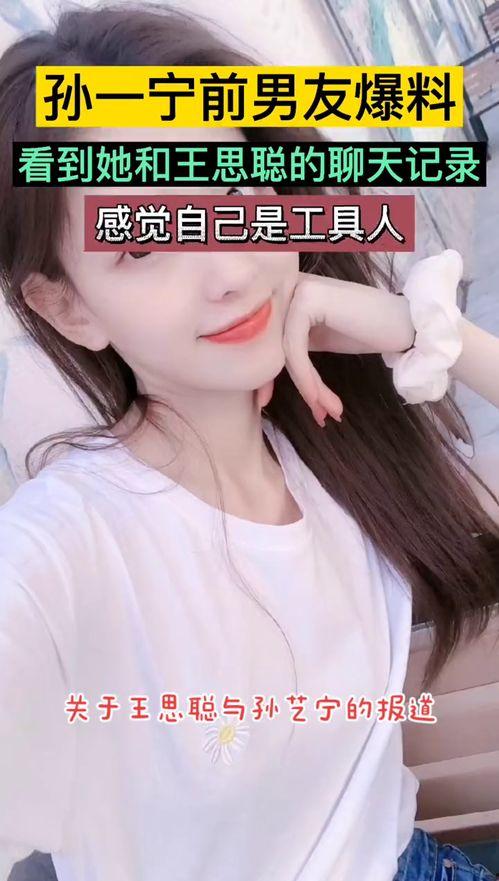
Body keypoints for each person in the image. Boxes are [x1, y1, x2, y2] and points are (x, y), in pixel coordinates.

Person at [0, 4, 498, 881]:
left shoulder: (330, 442)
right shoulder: (64, 552)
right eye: (144, 242)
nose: (231, 267)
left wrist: (427, 333)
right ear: (68, 307)